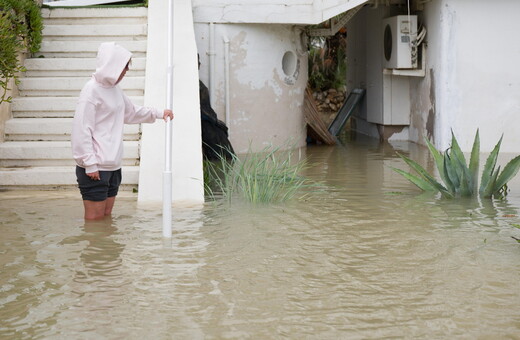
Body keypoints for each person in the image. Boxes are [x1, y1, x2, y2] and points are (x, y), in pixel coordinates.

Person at [71, 42, 173, 220]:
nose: (126, 72)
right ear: (112, 66)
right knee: (95, 221)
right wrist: (90, 163)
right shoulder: (90, 91)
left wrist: (158, 113)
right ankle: (93, 249)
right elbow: (81, 129)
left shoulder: (115, 90)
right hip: (95, 168)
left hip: (113, 166)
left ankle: (108, 249)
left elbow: (131, 112)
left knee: (106, 217)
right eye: (124, 67)